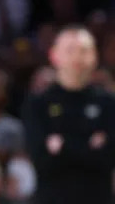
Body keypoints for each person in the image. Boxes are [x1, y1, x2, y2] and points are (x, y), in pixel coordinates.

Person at [22, 25, 115, 204]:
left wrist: (62, 146)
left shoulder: (108, 103)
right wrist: (89, 146)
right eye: (70, 50)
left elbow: (108, 159)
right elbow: (41, 161)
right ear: (54, 55)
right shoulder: (38, 104)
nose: (77, 57)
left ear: (95, 56)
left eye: (84, 50)